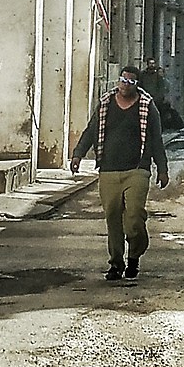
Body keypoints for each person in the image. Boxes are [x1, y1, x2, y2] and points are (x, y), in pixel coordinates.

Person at [71, 65, 170, 280]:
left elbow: (156, 139)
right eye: (123, 80)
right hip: (108, 169)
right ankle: (116, 263)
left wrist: (162, 169)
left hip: (137, 169)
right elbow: (91, 130)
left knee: (134, 216)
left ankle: (134, 255)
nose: (125, 84)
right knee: (113, 217)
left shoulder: (146, 106)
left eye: (131, 81)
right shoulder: (106, 103)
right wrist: (78, 154)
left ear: (137, 84)